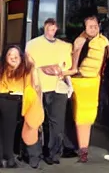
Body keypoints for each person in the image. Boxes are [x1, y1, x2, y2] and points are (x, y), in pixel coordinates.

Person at [25, 18, 73, 165]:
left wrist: (70, 86)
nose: (51, 30)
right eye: (48, 27)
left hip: (58, 88)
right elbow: (29, 67)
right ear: (44, 27)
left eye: (54, 27)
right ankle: (35, 154)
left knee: (57, 123)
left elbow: (66, 70)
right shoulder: (32, 45)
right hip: (38, 87)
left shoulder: (64, 46)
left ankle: (53, 154)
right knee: (37, 121)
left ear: (57, 28)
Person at [62, 15, 109, 163]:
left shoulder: (104, 41)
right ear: (85, 27)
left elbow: (107, 62)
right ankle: (81, 149)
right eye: (90, 26)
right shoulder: (80, 41)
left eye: (95, 26)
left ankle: (82, 148)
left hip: (94, 82)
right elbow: (74, 66)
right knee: (79, 115)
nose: (93, 29)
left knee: (89, 115)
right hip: (79, 81)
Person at [0, 46, 44, 169]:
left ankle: (7, 157)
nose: (13, 58)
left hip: (13, 101)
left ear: (21, 58)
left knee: (8, 131)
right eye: (10, 55)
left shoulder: (26, 70)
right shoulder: (2, 68)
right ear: (5, 57)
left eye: (16, 55)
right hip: (6, 100)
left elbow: (35, 84)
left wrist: (31, 63)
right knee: (7, 131)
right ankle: (8, 159)